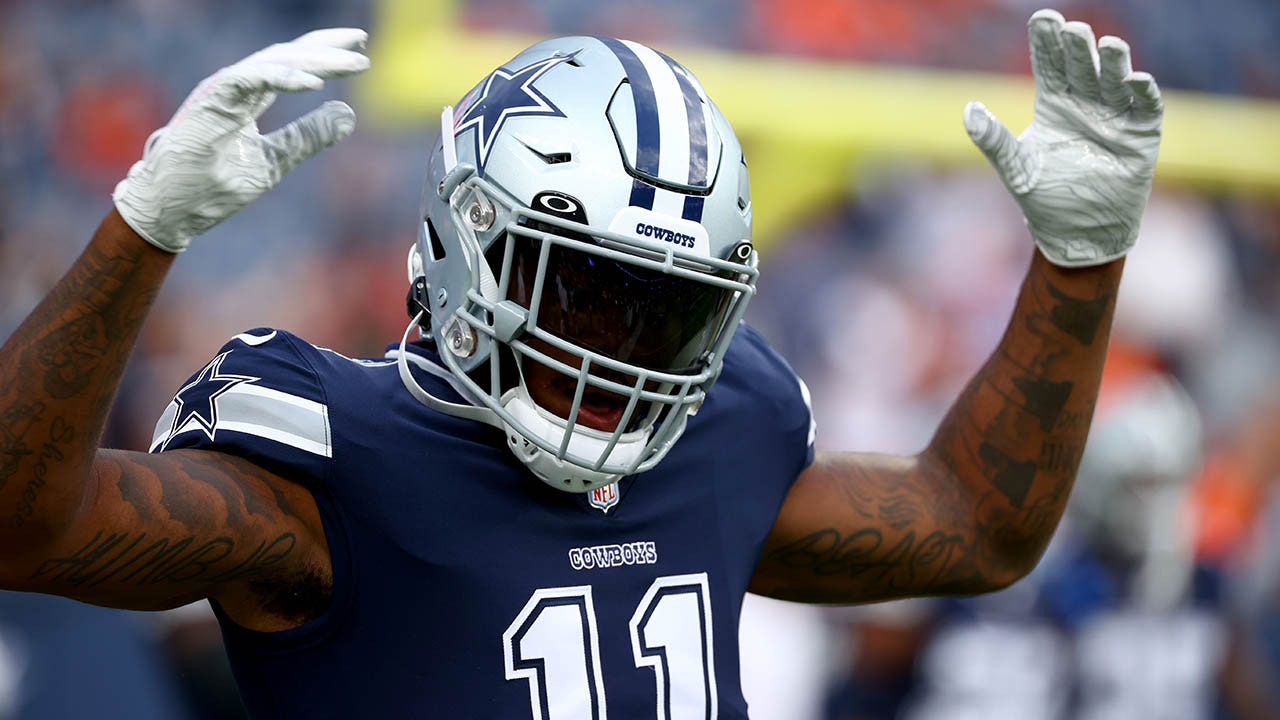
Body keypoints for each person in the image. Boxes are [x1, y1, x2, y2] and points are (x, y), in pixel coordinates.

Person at [0, 9, 1162, 718]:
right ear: (468, 244)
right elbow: (21, 529)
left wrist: (1076, 260)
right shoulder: (329, 466)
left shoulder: (725, 430)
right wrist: (141, 229)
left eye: (664, 312)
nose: (612, 351)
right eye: (588, 290)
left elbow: (974, 523)